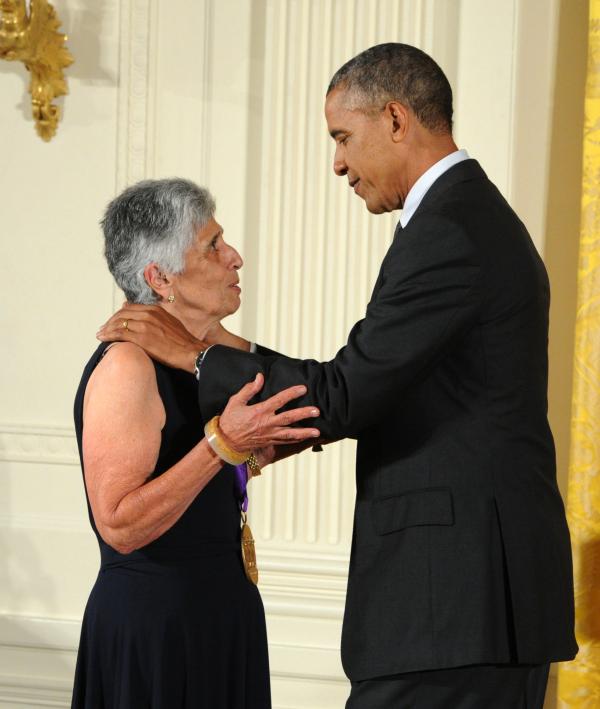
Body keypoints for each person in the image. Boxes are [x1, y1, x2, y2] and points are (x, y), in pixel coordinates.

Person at [98, 44, 578, 708]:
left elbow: (347, 393)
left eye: (343, 137)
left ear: (396, 119)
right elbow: (382, 389)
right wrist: (220, 349)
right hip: (470, 609)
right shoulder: (469, 218)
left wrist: (194, 354)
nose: (339, 163)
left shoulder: (450, 231)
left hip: (454, 608)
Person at [73, 178, 321, 709]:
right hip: (157, 625)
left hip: (221, 614)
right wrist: (222, 447)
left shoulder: (205, 358)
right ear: (160, 278)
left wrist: (251, 444)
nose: (235, 257)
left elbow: (310, 401)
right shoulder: (127, 366)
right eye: (213, 246)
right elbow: (118, 524)